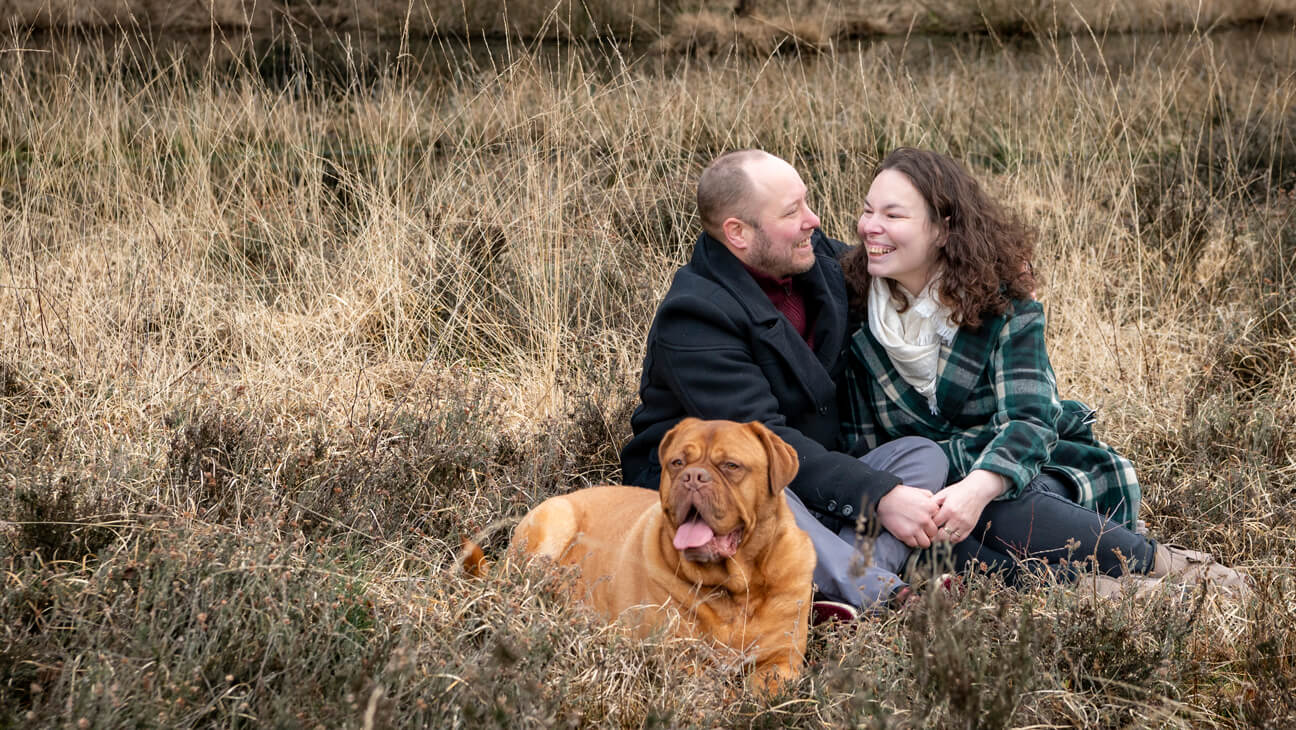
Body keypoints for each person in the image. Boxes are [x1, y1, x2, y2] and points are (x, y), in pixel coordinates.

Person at [839, 147, 1248, 596]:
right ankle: (1104, 591)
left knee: (998, 505)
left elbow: (1031, 420)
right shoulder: (852, 305)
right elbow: (867, 443)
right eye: (866, 210)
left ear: (942, 228)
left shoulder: (999, 301)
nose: (870, 227)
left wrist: (975, 487)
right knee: (938, 543)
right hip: (922, 496)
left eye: (892, 215)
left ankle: (1166, 565)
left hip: (1018, 471)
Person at [619, 149, 953, 616]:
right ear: (738, 232)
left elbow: (896, 263)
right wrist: (878, 495)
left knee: (923, 454)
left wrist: (997, 279)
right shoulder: (693, 317)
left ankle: (834, 588)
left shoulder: (810, 260)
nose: (813, 220)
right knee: (764, 488)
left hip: (812, 471)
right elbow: (765, 439)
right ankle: (887, 597)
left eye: (806, 203)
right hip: (716, 480)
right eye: (791, 211)